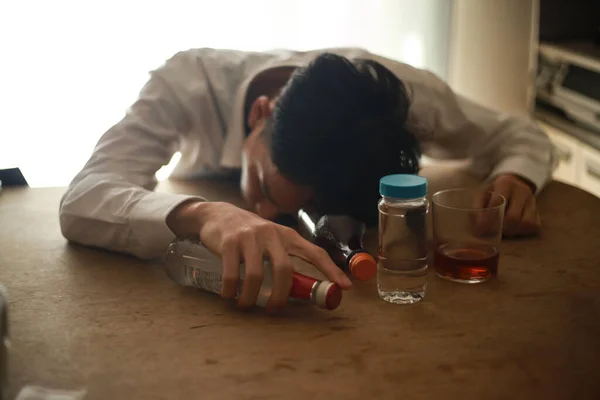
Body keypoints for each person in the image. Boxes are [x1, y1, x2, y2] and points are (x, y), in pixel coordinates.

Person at [59, 47, 557, 311]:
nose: (266, 217)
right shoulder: (187, 84)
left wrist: (517, 175)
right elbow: (84, 196)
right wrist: (203, 213)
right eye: (266, 190)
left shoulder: (405, 101)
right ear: (260, 113)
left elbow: (519, 132)